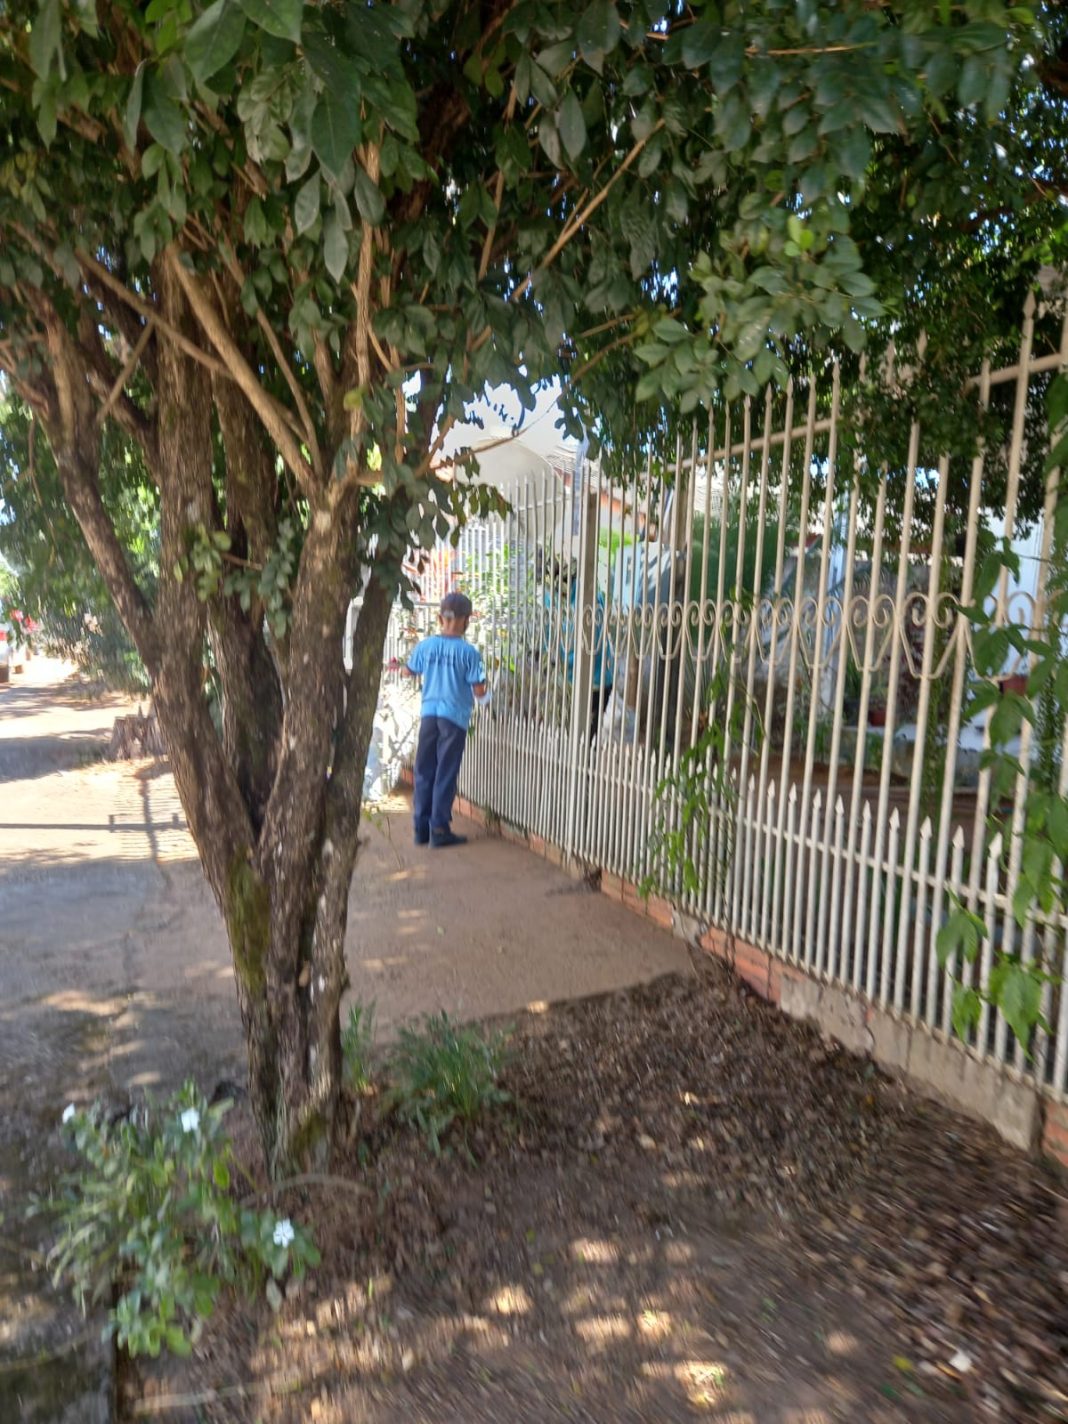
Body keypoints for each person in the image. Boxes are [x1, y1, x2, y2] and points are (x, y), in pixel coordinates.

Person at [405, 591, 490, 848]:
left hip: (429, 715)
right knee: (445, 772)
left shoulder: (426, 646)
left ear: (440, 617)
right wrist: (487, 696)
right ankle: (439, 829)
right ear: (466, 620)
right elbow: (479, 690)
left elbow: (410, 671)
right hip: (454, 719)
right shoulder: (469, 653)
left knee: (424, 771)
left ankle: (421, 829)